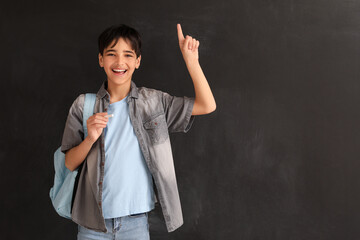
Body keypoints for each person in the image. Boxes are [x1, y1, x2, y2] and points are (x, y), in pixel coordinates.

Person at [60, 23, 216, 240]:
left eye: (128, 55)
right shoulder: (83, 105)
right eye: (112, 54)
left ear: (137, 61)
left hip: (135, 224)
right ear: (101, 59)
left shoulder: (154, 102)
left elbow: (207, 105)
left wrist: (192, 62)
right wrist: (90, 138)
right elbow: (68, 163)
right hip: (93, 226)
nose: (120, 62)